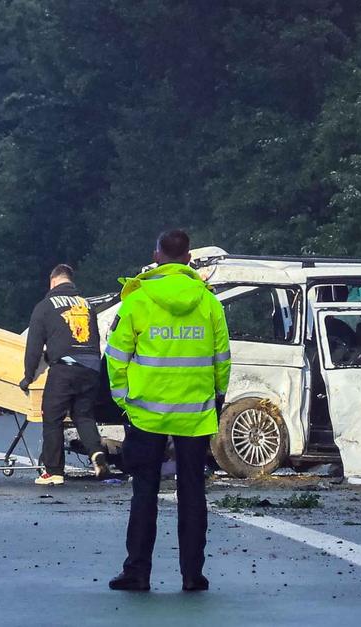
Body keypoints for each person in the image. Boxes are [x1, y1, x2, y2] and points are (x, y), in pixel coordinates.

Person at [104, 229, 230, 593]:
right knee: (193, 493)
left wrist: (124, 400)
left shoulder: (138, 300)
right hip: (195, 414)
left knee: (144, 491)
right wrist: (217, 398)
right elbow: (222, 358)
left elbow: (116, 357)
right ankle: (193, 575)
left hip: (146, 413)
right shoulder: (209, 302)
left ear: (156, 255)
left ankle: (138, 573)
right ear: (189, 258)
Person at [20, 264, 110, 485]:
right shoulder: (86, 305)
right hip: (91, 368)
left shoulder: (45, 306)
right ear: (71, 281)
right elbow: (96, 338)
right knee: (84, 416)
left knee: (52, 418)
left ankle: (54, 471)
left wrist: (28, 376)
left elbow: (33, 346)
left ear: (52, 281)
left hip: (64, 368)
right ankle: (96, 453)